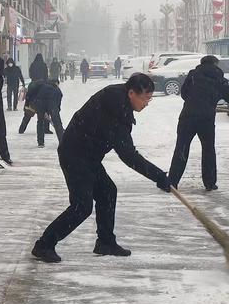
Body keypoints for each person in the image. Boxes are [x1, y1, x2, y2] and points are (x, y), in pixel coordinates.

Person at [31, 74, 172, 263]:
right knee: (82, 206)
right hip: (75, 154)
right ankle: (44, 245)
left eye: (149, 98)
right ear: (131, 93)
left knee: (107, 191)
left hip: (87, 155)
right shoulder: (115, 111)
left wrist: (158, 176)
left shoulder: (118, 99)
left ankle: (105, 242)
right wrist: (159, 177)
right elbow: (129, 156)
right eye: (145, 98)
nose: (147, 103)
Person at [169, 55, 229, 191]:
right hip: (206, 119)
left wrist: (193, 99)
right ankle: (210, 183)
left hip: (187, 116)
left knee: (181, 148)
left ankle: (172, 181)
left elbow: (183, 93)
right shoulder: (219, 78)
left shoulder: (193, 75)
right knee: (208, 149)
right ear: (215, 64)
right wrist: (212, 99)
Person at [25, 79, 64, 147]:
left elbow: (30, 92)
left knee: (40, 121)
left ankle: (40, 143)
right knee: (57, 123)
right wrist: (56, 111)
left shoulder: (41, 84)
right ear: (56, 83)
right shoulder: (57, 90)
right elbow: (59, 100)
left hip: (40, 102)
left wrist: (28, 103)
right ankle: (62, 141)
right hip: (52, 104)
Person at [20, 54, 52, 134]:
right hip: (43, 87)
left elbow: (30, 74)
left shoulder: (32, 65)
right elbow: (46, 75)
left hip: (33, 85)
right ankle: (46, 129)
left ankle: (22, 129)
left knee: (29, 110)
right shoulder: (44, 65)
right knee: (45, 109)